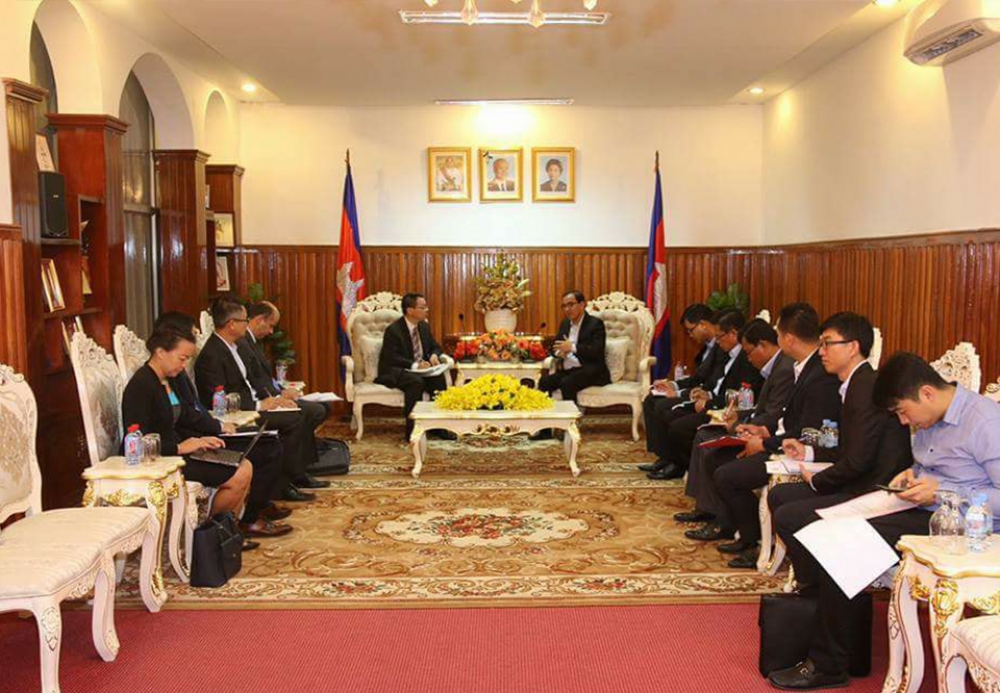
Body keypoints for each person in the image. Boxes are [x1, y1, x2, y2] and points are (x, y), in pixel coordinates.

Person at [767, 352, 1000, 690]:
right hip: (925, 510)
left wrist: (943, 492)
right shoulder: (931, 416)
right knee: (829, 531)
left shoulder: (985, 422)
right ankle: (835, 635)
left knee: (844, 547)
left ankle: (829, 665)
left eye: (903, 412)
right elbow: (928, 466)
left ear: (926, 393)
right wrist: (911, 474)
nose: (904, 422)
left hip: (967, 528)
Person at [769, 313, 913, 587]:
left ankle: (814, 588)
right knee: (780, 495)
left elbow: (859, 461)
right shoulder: (855, 383)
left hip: (874, 487)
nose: (821, 352)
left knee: (788, 516)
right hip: (858, 477)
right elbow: (849, 447)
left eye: (827, 343)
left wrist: (818, 480)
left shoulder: (867, 388)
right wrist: (808, 453)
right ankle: (812, 579)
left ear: (853, 347)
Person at [122, 327, 290, 547]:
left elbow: (184, 418)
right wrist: (181, 447)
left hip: (179, 451)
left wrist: (201, 440)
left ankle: (226, 532)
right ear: (161, 352)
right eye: (182, 358)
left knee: (245, 464)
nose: (184, 365)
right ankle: (212, 538)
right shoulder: (141, 385)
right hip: (162, 459)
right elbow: (135, 442)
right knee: (239, 474)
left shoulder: (166, 381)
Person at [703, 303, 842, 568]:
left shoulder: (820, 375)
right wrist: (763, 430)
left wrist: (765, 443)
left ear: (788, 338)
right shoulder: (805, 366)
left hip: (798, 450)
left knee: (727, 476)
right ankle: (742, 531)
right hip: (783, 438)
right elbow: (792, 419)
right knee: (717, 458)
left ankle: (754, 540)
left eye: (778, 334)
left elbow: (808, 431)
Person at [155, 311, 293, 532]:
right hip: (190, 443)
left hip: (202, 434)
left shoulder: (174, 375)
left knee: (268, 442)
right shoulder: (157, 380)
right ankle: (242, 522)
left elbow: (193, 411)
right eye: (192, 334)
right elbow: (184, 419)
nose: (197, 337)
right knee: (265, 450)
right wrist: (213, 430)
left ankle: (248, 514)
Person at [195, 297, 324, 502]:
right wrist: (260, 404)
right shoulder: (212, 355)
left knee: (297, 415)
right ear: (231, 324)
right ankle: (283, 485)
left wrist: (273, 398)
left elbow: (253, 380)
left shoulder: (235, 346)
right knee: (293, 420)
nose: (247, 324)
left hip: (255, 405)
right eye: (245, 320)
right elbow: (218, 398)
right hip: (239, 414)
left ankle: (289, 479)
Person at [679, 318, 795, 527]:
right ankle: (706, 508)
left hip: (769, 437)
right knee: (704, 436)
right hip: (758, 428)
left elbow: (773, 415)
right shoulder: (776, 366)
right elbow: (762, 409)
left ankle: (724, 521)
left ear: (763, 345)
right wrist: (741, 417)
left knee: (715, 454)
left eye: (749, 352)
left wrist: (742, 425)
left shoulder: (784, 369)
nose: (748, 359)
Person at [646, 310, 763, 480]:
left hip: (725, 408)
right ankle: (671, 459)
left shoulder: (747, 358)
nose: (717, 341)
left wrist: (707, 401)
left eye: (719, 337)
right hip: (713, 400)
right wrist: (701, 394)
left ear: (733, 334)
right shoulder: (725, 350)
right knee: (661, 406)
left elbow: (737, 393)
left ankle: (683, 465)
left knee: (676, 422)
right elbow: (708, 380)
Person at [639, 303, 722, 469]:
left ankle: (676, 462)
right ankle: (663, 456)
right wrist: (672, 384)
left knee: (662, 406)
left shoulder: (721, 349)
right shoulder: (708, 347)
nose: (690, 335)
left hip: (705, 398)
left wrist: (679, 393)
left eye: (690, 330)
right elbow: (697, 378)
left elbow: (708, 385)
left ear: (703, 324)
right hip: (697, 393)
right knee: (651, 399)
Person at [375, 292, 448, 439]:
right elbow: (392, 357)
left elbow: (435, 346)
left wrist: (434, 355)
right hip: (395, 370)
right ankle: (412, 430)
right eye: (423, 307)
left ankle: (437, 426)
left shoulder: (423, 327)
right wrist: (415, 365)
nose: (427, 310)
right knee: (415, 382)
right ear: (410, 310)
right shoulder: (394, 330)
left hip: (420, 370)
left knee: (438, 379)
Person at [538, 291, 610, 403]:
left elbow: (596, 350)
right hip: (568, 370)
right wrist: (559, 353)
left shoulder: (595, 324)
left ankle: (572, 414)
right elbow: (554, 346)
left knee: (567, 383)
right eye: (564, 306)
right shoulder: (565, 324)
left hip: (590, 370)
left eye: (571, 305)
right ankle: (548, 411)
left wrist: (572, 347)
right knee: (545, 381)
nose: (567, 309)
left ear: (582, 305)